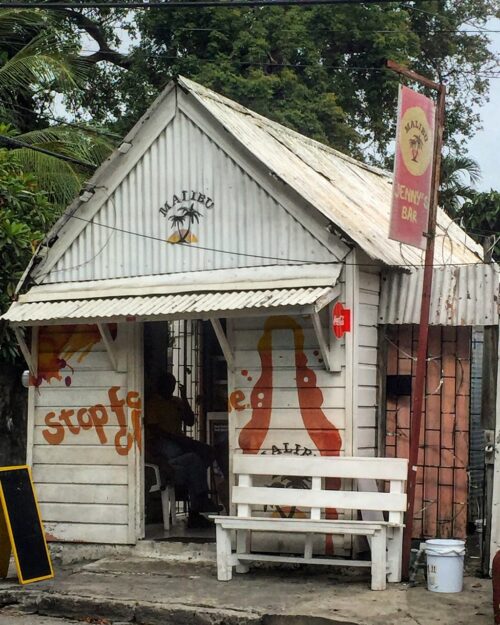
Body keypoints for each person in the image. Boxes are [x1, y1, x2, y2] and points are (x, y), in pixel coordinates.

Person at [145, 373, 221, 529]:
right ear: (160, 386)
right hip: (163, 442)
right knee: (193, 460)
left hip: (180, 441)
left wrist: (185, 398)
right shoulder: (153, 403)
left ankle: (193, 490)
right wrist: (176, 439)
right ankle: (199, 499)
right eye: (167, 385)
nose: (170, 389)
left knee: (207, 453)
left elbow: (190, 421)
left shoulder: (176, 402)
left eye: (172, 386)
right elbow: (154, 429)